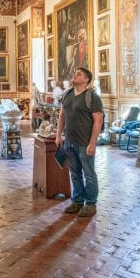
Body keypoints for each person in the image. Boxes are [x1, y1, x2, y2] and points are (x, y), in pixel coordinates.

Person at [55, 67, 104, 218]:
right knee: (75, 173)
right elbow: (62, 116)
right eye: (75, 73)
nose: (75, 75)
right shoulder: (68, 94)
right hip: (69, 141)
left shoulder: (92, 97)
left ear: (86, 80)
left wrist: (93, 143)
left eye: (79, 74)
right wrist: (58, 136)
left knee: (89, 174)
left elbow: (98, 120)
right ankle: (77, 200)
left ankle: (90, 204)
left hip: (85, 143)